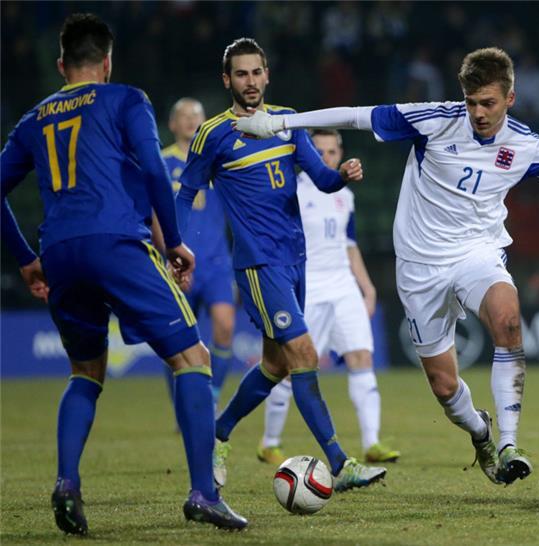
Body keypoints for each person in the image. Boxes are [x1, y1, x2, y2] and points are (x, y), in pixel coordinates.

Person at [235, 47, 539, 485]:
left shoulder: (525, 144)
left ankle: (512, 444)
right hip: (420, 266)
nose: (478, 112)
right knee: (443, 386)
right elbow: (356, 116)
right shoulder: (435, 120)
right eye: (471, 101)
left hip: (477, 253)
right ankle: (482, 433)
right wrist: (280, 123)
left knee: (508, 318)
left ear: (510, 99)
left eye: (488, 103)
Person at [0, 14, 246, 533]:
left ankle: (67, 483)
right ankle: (203, 492)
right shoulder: (126, 99)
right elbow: (154, 170)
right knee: (193, 357)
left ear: (61, 64)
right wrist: (175, 241)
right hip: (116, 241)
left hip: (60, 252)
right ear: (107, 62)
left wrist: (26, 258)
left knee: (86, 372)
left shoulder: (33, 119)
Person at [175, 37, 387, 493]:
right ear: (226, 80)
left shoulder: (289, 123)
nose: (249, 82)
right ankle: (340, 461)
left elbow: (323, 180)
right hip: (258, 264)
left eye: (256, 72)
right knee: (305, 355)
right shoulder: (213, 134)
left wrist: (343, 174)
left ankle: (218, 431)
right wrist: (177, 245)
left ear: (267, 75)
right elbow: (185, 192)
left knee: (275, 365)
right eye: (240, 74)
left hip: (296, 260)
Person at [258, 129, 400, 466]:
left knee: (361, 357)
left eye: (332, 152)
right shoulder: (292, 190)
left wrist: (366, 287)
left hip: (343, 286)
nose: (326, 158)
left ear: (340, 153)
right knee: (292, 368)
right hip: (309, 286)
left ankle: (372, 442)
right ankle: (269, 441)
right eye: (318, 151)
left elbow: (349, 246)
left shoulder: (345, 195)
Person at [153, 98, 236, 409]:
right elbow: (153, 214)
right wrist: (167, 253)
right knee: (174, 340)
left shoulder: (218, 163)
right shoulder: (161, 163)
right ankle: (181, 406)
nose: (190, 121)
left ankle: (211, 399)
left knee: (225, 326)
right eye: (183, 116)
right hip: (176, 264)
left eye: (196, 116)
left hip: (216, 262)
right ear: (172, 124)